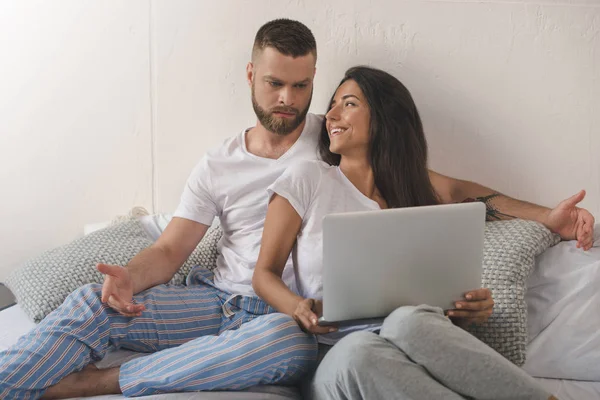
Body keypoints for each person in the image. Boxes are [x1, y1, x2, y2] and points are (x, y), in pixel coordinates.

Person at [0, 19, 594, 400]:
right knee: (90, 304)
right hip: (216, 300)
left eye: (303, 86)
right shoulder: (218, 164)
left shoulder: (333, 139)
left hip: (287, 323)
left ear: (315, 82)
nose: (289, 101)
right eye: (275, 84)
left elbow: (453, 188)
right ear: (252, 75)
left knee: (283, 341)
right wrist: (130, 276)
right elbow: (170, 249)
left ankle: (102, 382)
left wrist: (547, 216)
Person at [252, 65, 563, 400]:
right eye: (333, 103)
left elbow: (463, 192)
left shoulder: (414, 194)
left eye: (349, 103)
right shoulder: (308, 179)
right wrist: (298, 306)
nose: (331, 114)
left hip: (408, 346)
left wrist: (465, 311)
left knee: (408, 321)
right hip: (334, 353)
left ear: (384, 117)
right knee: (360, 349)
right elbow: (264, 274)